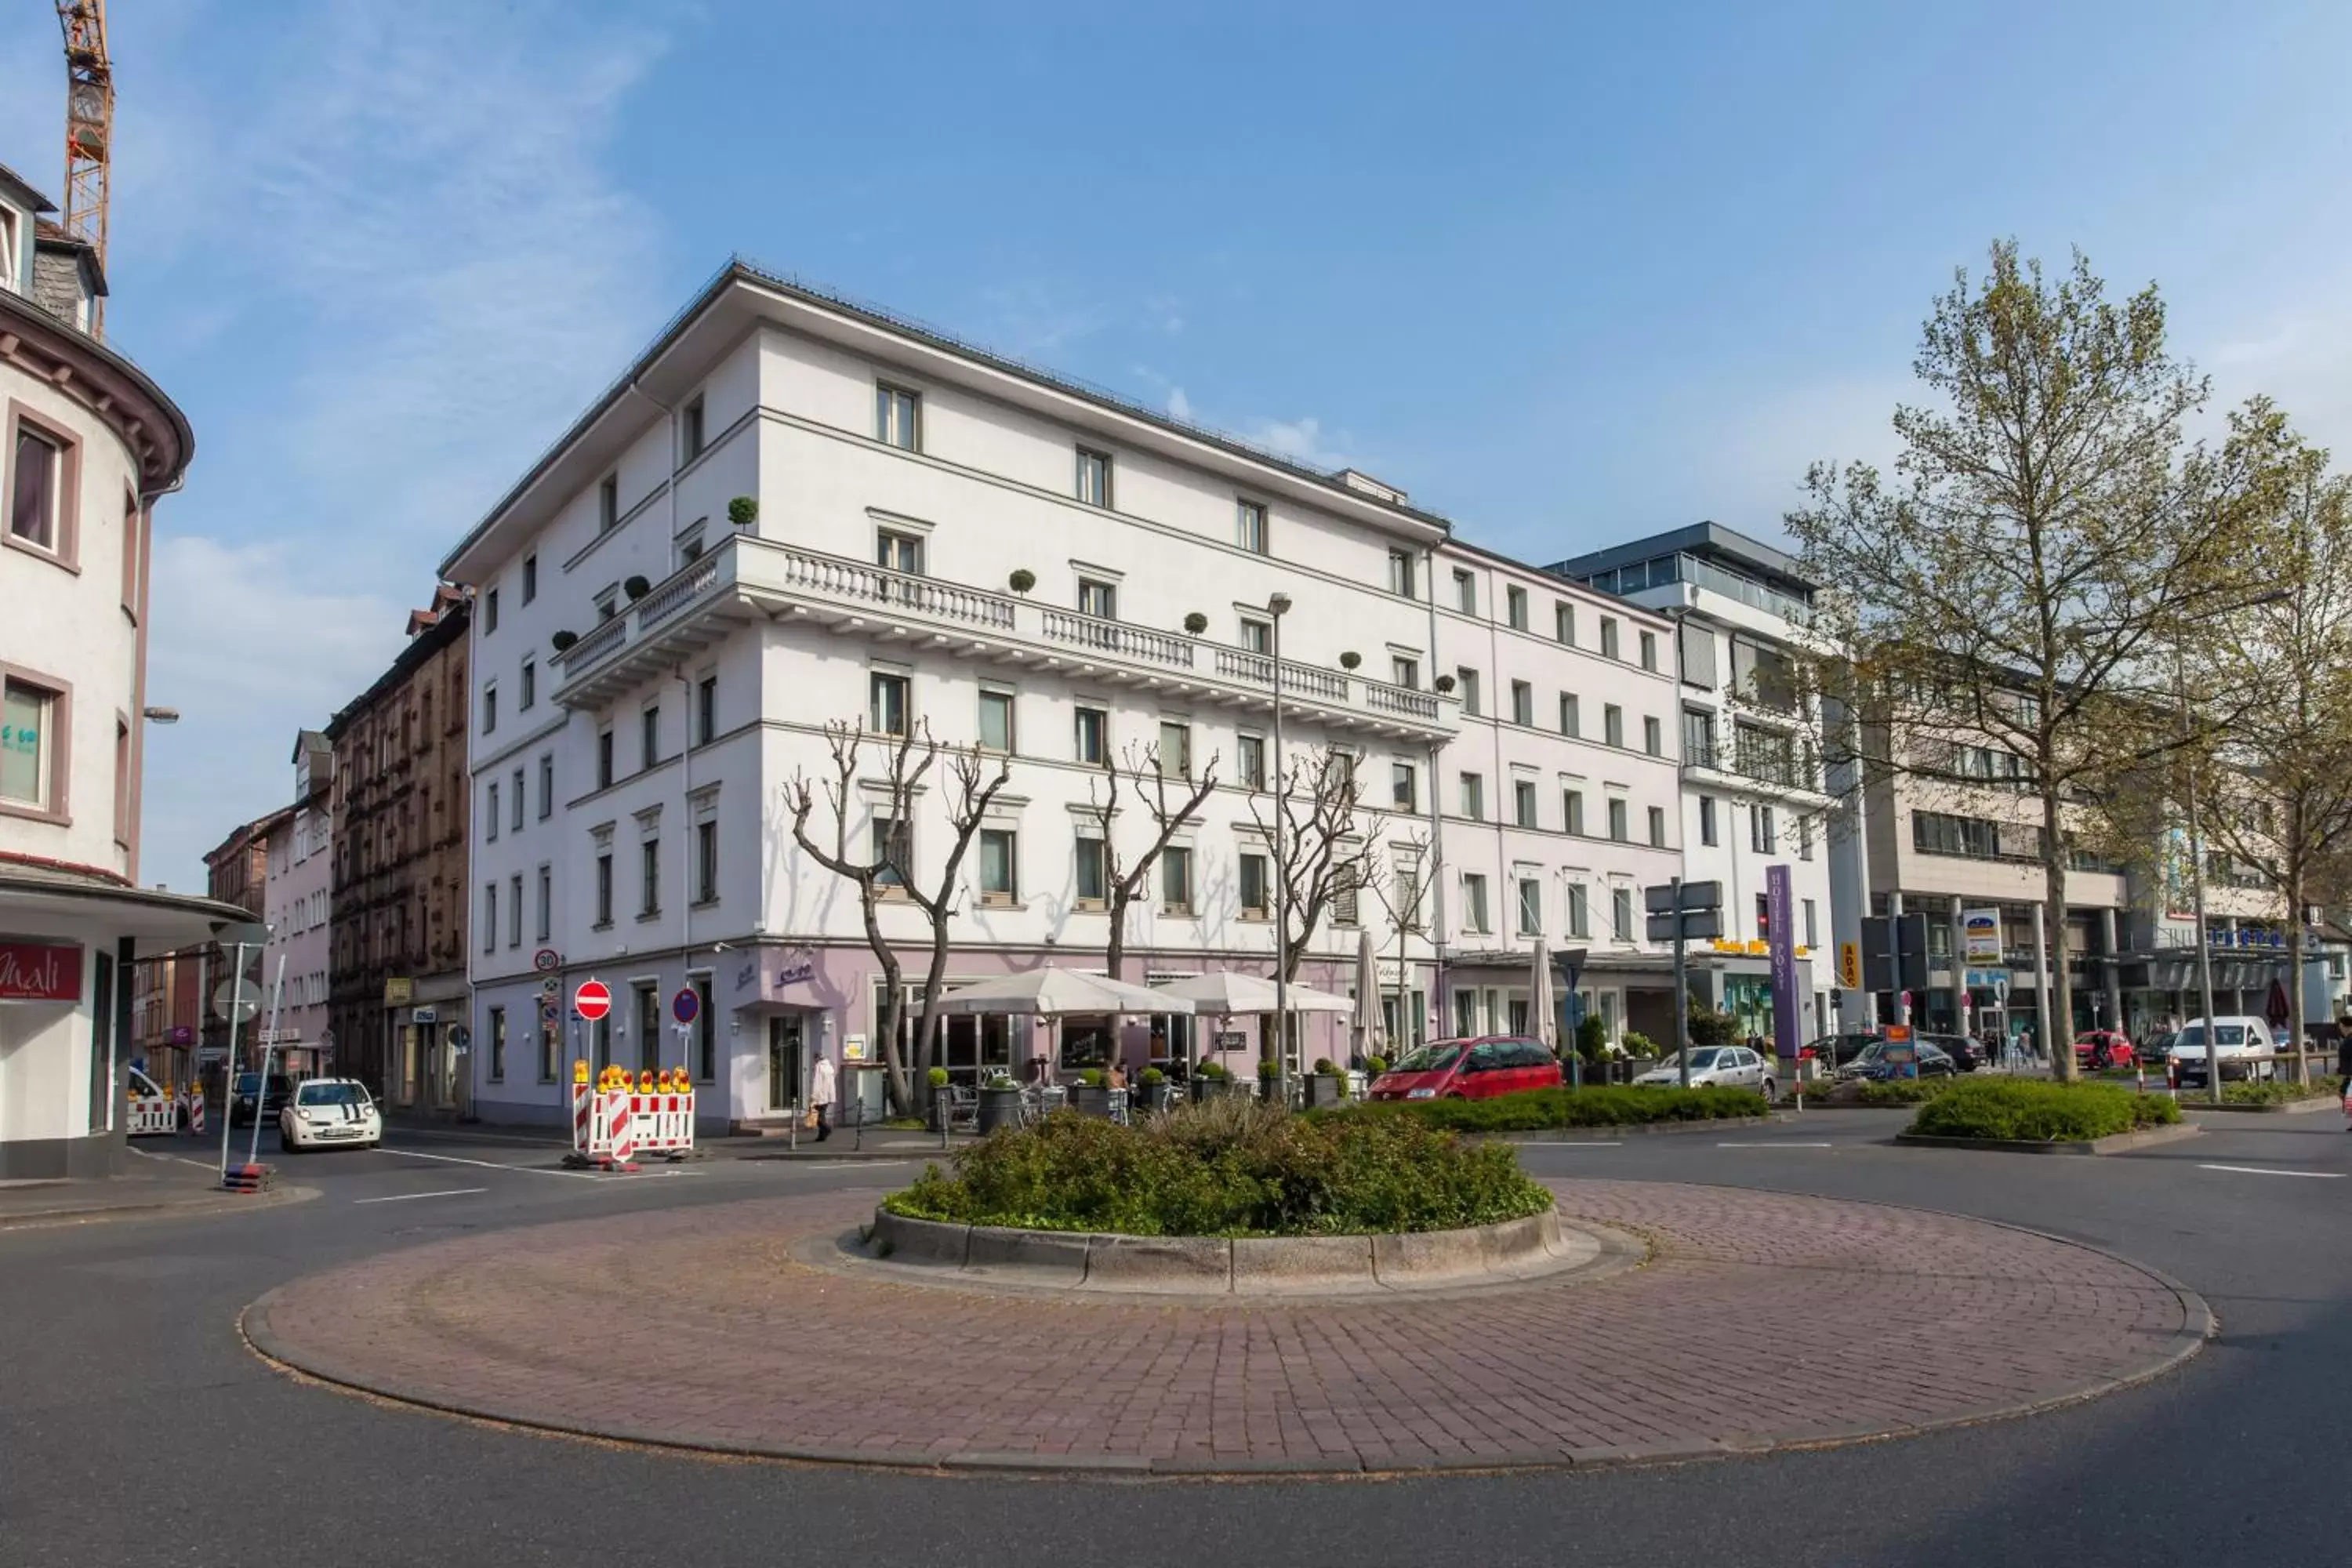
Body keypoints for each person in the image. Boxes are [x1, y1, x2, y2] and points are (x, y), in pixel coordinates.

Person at [810, 1051, 837, 1142]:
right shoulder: (830, 1067)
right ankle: (822, 1136)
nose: (814, 1060)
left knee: (817, 1118)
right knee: (822, 1116)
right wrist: (831, 1096)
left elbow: (816, 1083)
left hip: (820, 1096)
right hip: (828, 1095)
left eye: (814, 1058)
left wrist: (813, 1096)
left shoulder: (819, 1067)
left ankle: (827, 1129)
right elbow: (832, 1083)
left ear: (817, 1058)